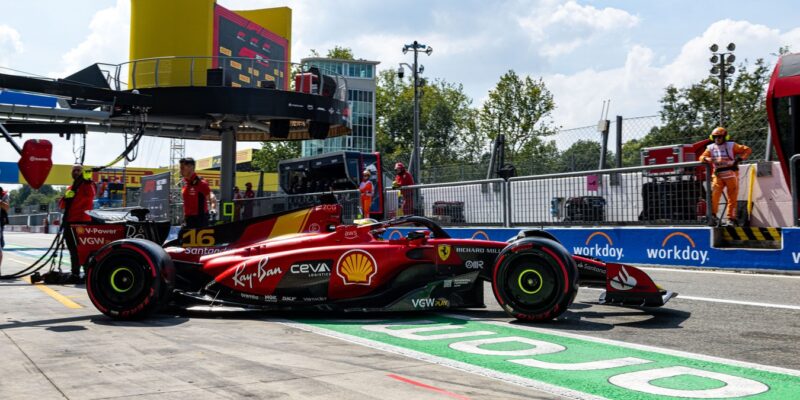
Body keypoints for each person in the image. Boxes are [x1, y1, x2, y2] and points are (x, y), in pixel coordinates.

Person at [699, 127, 752, 226]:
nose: (717, 139)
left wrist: (739, 158)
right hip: (718, 175)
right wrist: (708, 159)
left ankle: (730, 218)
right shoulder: (710, 148)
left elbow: (747, 150)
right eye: (715, 137)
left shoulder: (732, 145)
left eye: (720, 137)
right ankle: (713, 215)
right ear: (712, 137)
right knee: (715, 195)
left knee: (732, 197)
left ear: (724, 137)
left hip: (731, 174)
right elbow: (701, 157)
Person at [59, 164, 96, 281]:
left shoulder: (87, 185)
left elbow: (91, 194)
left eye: (78, 170)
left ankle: (86, 273)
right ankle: (75, 273)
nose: (76, 172)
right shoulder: (70, 188)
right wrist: (65, 198)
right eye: (74, 170)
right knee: (72, 249)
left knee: (84, 249)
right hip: (69, 222)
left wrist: (88, 180)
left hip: (82, 222)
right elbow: (62, 205)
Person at [180, 158, 216, 228]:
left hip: (200, 220)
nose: (180, 170)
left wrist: (213, 208)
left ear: (191, 167)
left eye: (182, 168)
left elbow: (211, 196)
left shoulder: (200, 183)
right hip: (188, 219)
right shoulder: (185, 183)